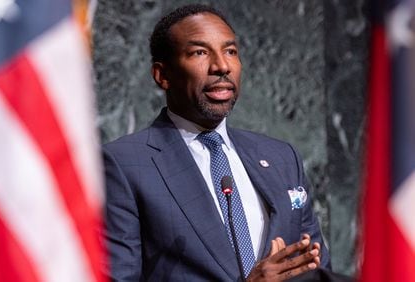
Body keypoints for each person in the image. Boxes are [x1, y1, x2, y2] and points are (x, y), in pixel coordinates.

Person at [103, 4, 331, 281]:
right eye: (199, 52)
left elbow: (318, 271)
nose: (221, 66)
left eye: (230, 51)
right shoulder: (124, 165)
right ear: (162, 75)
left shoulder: (282, 157)